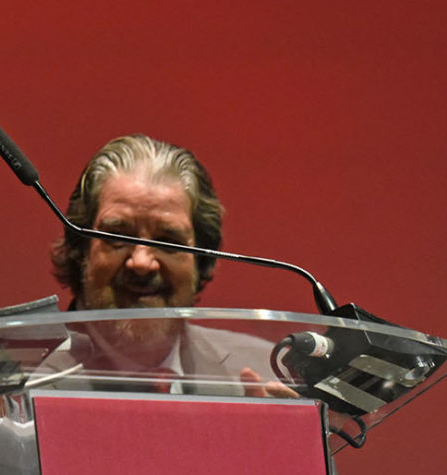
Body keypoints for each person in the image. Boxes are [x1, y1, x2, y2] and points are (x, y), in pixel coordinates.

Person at [44, 133, 288, 396]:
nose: (141, 262)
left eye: (168, 241)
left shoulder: (266, 372)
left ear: (201, 258)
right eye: (118, 237)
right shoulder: (19, 387)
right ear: (80, 249)